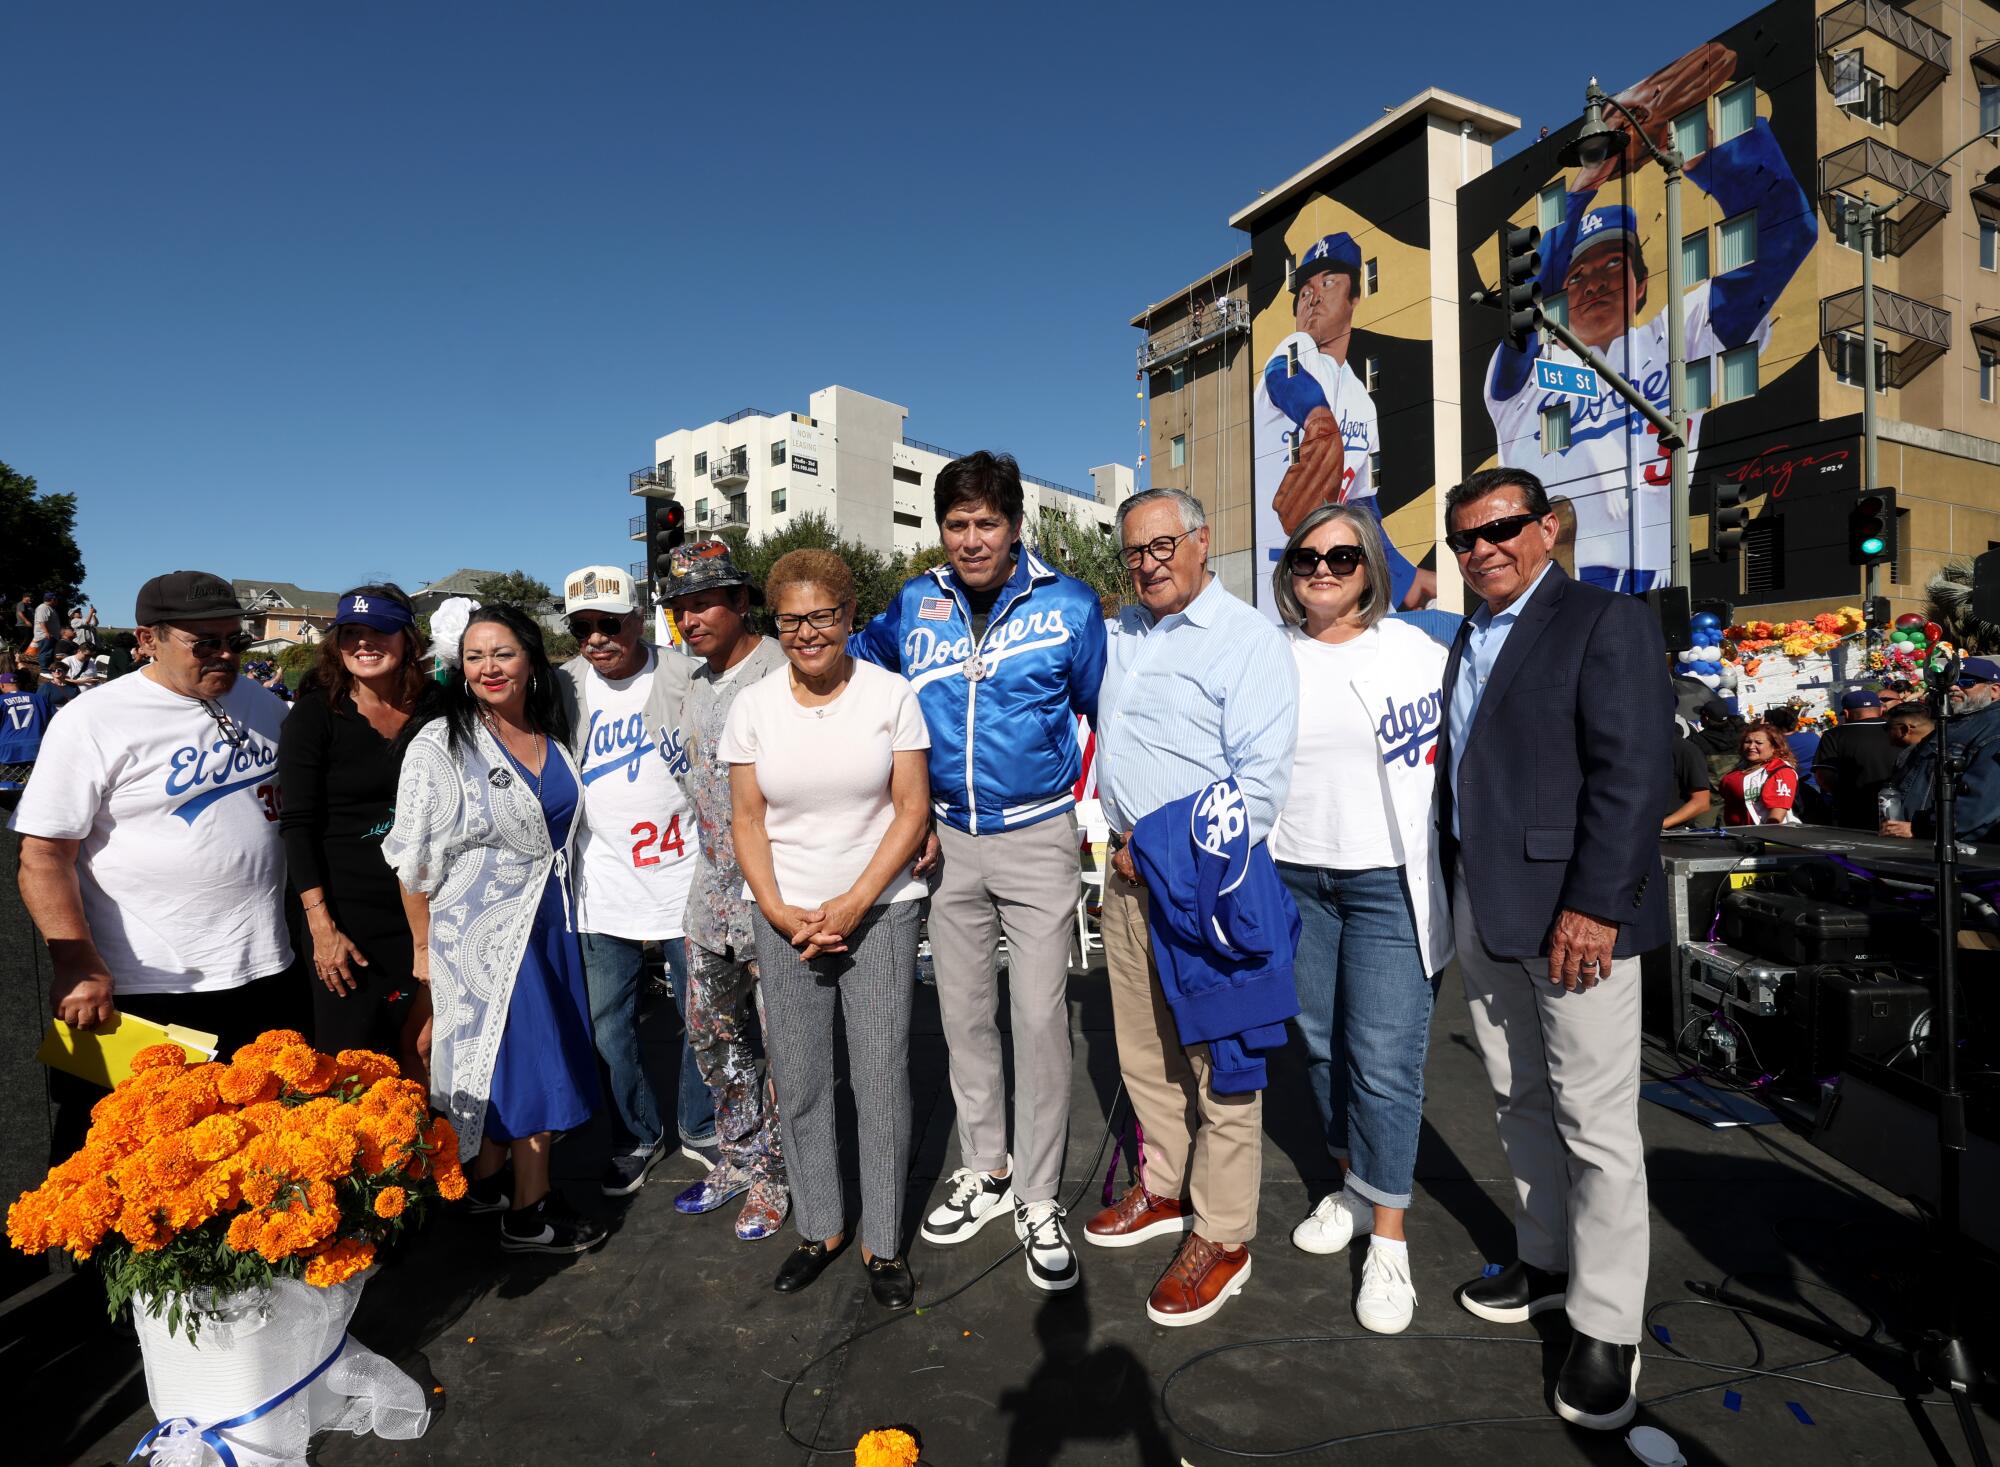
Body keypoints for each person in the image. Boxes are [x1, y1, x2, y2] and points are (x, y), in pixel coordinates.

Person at [1435, 468, 1670, 1431]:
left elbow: (1633, 775)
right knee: (1517, 1095)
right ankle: (1546, 1260)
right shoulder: (1468, 633)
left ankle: (1609, 1326)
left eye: (1502, 529)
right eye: (1465, 539)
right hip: (1489, 912)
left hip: (1577, 919)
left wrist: (1595, 907)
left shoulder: (1602, 620)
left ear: (1548, 527)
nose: (1483, 549)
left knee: (1597, 1124)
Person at [852, 451, 1107, 1293]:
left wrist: (1101, 815)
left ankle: (1038, 1194)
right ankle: (987, 1168)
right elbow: (856, 671)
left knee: (1037, 1019)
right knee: (963, 1018)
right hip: (943, 839)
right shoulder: (914, 602)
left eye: (985, 523)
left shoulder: (1068, 604)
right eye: (956, 523)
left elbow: (1101, 710)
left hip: (1037, 834)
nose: (970, 538)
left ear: (1015, 526)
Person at [1089, 488, 1298, 1328]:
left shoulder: (1248, 641)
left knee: (1224, 1067)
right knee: (1145, 1055)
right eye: (1134, 551)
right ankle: (1166, 1188)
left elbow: (1258, 791)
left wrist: (1160, 845)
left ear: (1203, 541)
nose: (1149, 562)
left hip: (1210, 884)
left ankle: (1224, 1235)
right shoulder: (1121, 636)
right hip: (1128, 879)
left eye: (1163, 544)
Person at [11, 572, 300, 1156]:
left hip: (264, 972)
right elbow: (42, 856)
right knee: (119, 1156)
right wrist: (75, 963)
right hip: (146, 986)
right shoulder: (94, 718)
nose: (225, 655)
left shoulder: (264, 705)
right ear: (147, 638)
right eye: (205, 643)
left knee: (248, 1151)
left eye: (234, 640)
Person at [722, 549, 931, 1308]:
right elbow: (747, 818)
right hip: (785, 917)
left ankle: (881, 1240)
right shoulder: (754, 708)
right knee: (803, 1080)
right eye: (791, 619)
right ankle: (820, 1225)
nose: (808, 632)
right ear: (774, 624)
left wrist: (854, 903)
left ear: (850, 617)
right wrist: (779, 910)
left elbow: (911, 809)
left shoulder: (891, 695)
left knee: (879, 1080)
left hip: (879, 911)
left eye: (823, 616)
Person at [1264, 503, 1450, 1335]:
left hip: (1386, 883)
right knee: (1322, 1046)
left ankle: (1390, 1238)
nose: (1324, 570)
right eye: (1308, 558)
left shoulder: (1418, 649)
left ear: (1370, 565)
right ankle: (1347, 1183)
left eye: (1342, 555)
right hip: (1295, 877)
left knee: (1382, 1060)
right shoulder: (1267, 658)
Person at [384, 603, 606, 1255]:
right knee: (534, 1064)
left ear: (531, 661)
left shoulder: (552, 729)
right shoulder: (439, 743)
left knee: (515, 1061)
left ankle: (487, 1184)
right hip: (478, 932)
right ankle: (529, 1212)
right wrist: (423, 949)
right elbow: (410, 859)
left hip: (550, 924)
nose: (488, 667)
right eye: (475, 656)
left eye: (502, 653)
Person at [552, 564, 719, 1204]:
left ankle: (701, 1126)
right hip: (601, 886)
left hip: (685, 881)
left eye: (610, 624)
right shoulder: (562, 686)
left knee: (702, 1018)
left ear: (639, 620)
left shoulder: (685, 673)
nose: (598, 639)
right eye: (584, 628)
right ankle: (635, 1135)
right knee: (607, 1029)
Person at [663, 540, 792, 1235]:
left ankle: (781, 1175)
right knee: (714, 1038)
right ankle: (742, 1154)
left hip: (775, 896)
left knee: (788, 1047)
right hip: (709, 895)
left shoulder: (783, 671)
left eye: (705, 601)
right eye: (681, 607)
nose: (691, 618)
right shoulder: (694, 680)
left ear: (742, 601)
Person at [277, 585, 436, 1064]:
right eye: (351, 634)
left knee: (424, 1048)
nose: (365, 644)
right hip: (345, 914)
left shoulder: (436, 709)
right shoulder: (315, 714)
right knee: (351, 1057)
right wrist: (321, 927)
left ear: (408, 639)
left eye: (380, 631)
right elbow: (298, 824)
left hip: (423, 909)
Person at [1254, 234, 1435, 609]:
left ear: (1356, 297)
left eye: (1328, 281)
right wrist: (1318, 417)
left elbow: (1363, 509)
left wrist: (1405, 578)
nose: (1313, 296)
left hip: (1330, 573)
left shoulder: (1361, 400)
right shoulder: (1297, 349)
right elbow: (1281, 376)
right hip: (1279, 568)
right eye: (1304, 290)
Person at [1892, 658, 2000, 844]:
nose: (1954, 687)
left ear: (1995, 690)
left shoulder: (1994, 728)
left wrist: (1923, 827)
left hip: (1963, 848)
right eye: (1950, 681)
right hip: (1919, 840)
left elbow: (1982, 799)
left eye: (1966, 682)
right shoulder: (1950, 723)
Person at [1812, 690, 1898, 830]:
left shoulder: (1833, 735)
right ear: (1881, 710)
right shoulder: (1898, 730)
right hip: (1897, 806)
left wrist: (1843, 796)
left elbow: (1824, 775)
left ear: (1846, 713)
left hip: (1853, 811)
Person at [1718, 723, 1800, 826]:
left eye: (1758, 742)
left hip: (1763, 836)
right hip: (1737, 833)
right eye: (1747, 742)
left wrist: (1765, 837)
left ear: (1774, 747)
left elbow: (1777, 815)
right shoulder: (1742, 766)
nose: (1751, 746)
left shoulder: (1781, 772)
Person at [0, 662, 59, 802]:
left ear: (2, 685)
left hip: (8, 749)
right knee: (35, 786)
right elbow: (54, 720)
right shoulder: (39, 698)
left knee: (5, 788)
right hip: (36, 748)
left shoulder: (1, 701)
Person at [1663, 727, 1713, 829]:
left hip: (1667, 834)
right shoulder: (1627, 747)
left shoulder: (1685, 749)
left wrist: (1662, 824)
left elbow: (1701, 802)